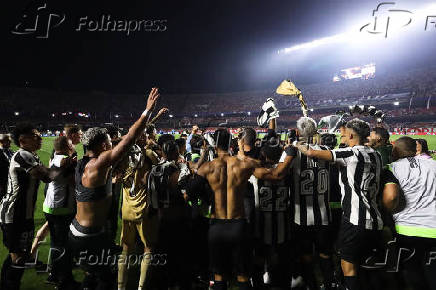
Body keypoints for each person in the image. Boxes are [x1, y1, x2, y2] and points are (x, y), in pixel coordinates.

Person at [68, 88, 160, 290]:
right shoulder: (100, 164)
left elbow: (126, 139)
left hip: (78, 231)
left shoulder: (84, 162)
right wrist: (147, 111)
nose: (113, 143)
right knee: (105, 280)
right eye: (110, 142)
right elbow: (130, 138)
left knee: (91, 276)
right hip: (90, 236)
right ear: (102, 145)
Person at [194, 127, 295, 290]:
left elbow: (192, 190)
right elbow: (275, 175)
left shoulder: (207, 167)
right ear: (231, 143)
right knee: (243, 275)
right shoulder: (244, 165)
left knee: (219, 275)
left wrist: (208, 196)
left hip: (217, 225)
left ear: (214, 145)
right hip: (239, 224)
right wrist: (290, 155)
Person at [295, 118, 384, 290]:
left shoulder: (350, 154)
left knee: (348, 267)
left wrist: (298, 144)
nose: (341, 134)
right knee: (366, 265)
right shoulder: (376, 154)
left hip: (355, 220)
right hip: (376, 219)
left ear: (352, 134)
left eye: (344, 132)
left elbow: (312, 153)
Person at [0, 123, 70, 290]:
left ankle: (6, 284)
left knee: (18, 255)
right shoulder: (22, 155)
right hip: (14, 214)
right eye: (35, 136)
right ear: (23, 140)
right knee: (18, 260)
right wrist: (62, 161)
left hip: (25, 214)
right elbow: (47, 176)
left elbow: (47, 173)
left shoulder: (31, 155)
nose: (39, 138)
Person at [287, 117, 336, 290]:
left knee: (306, 255)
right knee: (325, 254)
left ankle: (311, 285)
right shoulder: (326, 150)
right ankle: (329, 284)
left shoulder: (292, 152)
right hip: (324, 213)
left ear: (299, 131)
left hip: (301, 216)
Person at [147, 135, 192, 290]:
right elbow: (185, 195)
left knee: (161, 262)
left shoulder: (153, 171)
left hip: (161, 220)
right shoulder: (179, 170)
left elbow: (151, 201)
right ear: (175, 153)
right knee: (179, 260)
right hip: (178, 219)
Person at [390, 137, 436, 290]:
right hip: (433, 228)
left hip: (406, 230)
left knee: (413, 275)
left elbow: (390, 197)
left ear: (396, 150)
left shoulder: (392, 168)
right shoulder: (433, 164)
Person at [43, 136, 77, 286]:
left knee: (56, 243)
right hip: (60, 208)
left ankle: (54, 274)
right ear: (66, 147)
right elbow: (70, 176)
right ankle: (65, 280)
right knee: (65, 245)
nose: (73, 146)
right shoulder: (62, 159)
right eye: (71, 144)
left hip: (52, 207)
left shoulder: (55, 158)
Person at [0, 134, 13, 200]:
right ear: (1, 142)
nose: (10, 142)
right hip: (3, 183)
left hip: (11, 182)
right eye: (8, 141)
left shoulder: (10, 151)